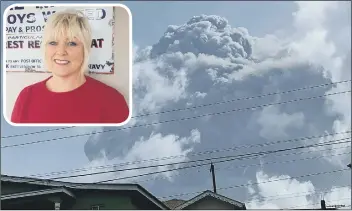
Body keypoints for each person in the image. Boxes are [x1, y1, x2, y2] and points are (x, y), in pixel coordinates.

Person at [11, 9, 129, 124]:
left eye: (72, 43)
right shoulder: (27, 96)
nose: (61, 51)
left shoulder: (111, 100)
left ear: (85, 49)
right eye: (53, 43)